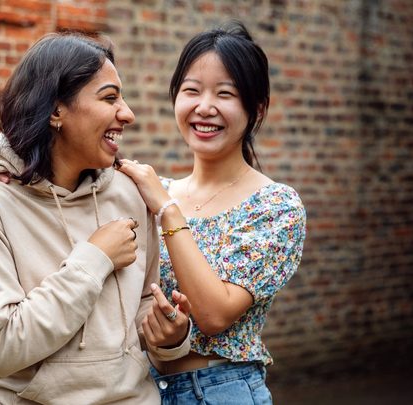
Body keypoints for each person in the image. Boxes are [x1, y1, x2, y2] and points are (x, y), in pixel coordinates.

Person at [0, 32, 194, 405]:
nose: (128, 113)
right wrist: (94, 258)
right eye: (110, 98)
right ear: (56, 110)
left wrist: (169, 334)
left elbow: (139, 306)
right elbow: (0, 346)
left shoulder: (129, 193)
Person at [117, 21, 306, 404]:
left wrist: (168, 211)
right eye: (191, 90)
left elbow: (215, 314)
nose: (205, 107)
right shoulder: (151, 191)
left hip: (221, 390)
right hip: (141, 391)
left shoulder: (276, 207)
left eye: (226, 94)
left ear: (257, 109)